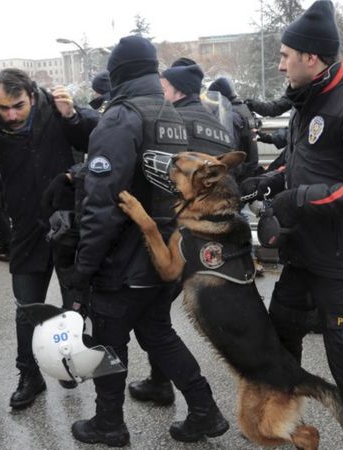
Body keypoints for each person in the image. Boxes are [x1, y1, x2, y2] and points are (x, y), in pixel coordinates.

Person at [241, 2, 343, 448]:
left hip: (342, 267)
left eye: (286, 55)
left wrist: (295, 201)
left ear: (312, 57)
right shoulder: (308, 101)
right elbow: (303, 164)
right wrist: (265, 184)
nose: (279, 64)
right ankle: (290, 428)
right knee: (278, 346)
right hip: (303, 257)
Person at [67, 35, 228, 447]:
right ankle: (205, 411)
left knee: (109, 340)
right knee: (157, 332)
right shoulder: (171, 113)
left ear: (118, 72)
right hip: (166, 252)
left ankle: (108, 423)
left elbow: (101, 203)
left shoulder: (121, 117)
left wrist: (83, 269)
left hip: (123, 256)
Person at [0, 68, 98, 410]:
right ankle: (29, 375)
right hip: (25, 226)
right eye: (4, 107)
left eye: (17, 106)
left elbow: (92, 144)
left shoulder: (56, 108)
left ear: (32, 96)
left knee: (74, 307)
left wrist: (73, 116)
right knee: (27, 309)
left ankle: (68, 362)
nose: (11, 114)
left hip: (68, 223)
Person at [124, 62, 236, 407]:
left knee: (155, 322)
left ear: (176, 89)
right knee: (158, 319)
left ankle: (190, 399)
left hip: (176, 228)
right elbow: (234, 171)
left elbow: (159, 172)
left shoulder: (174, 122)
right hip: (212, 231)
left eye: (164, 87)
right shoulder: (217, 124)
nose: (160, 92)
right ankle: (164, 384)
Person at [208, 76, 261, 181]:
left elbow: (230, 148)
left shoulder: (230, 116)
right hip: (249, 169)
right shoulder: (243, 109)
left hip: (240, 173)